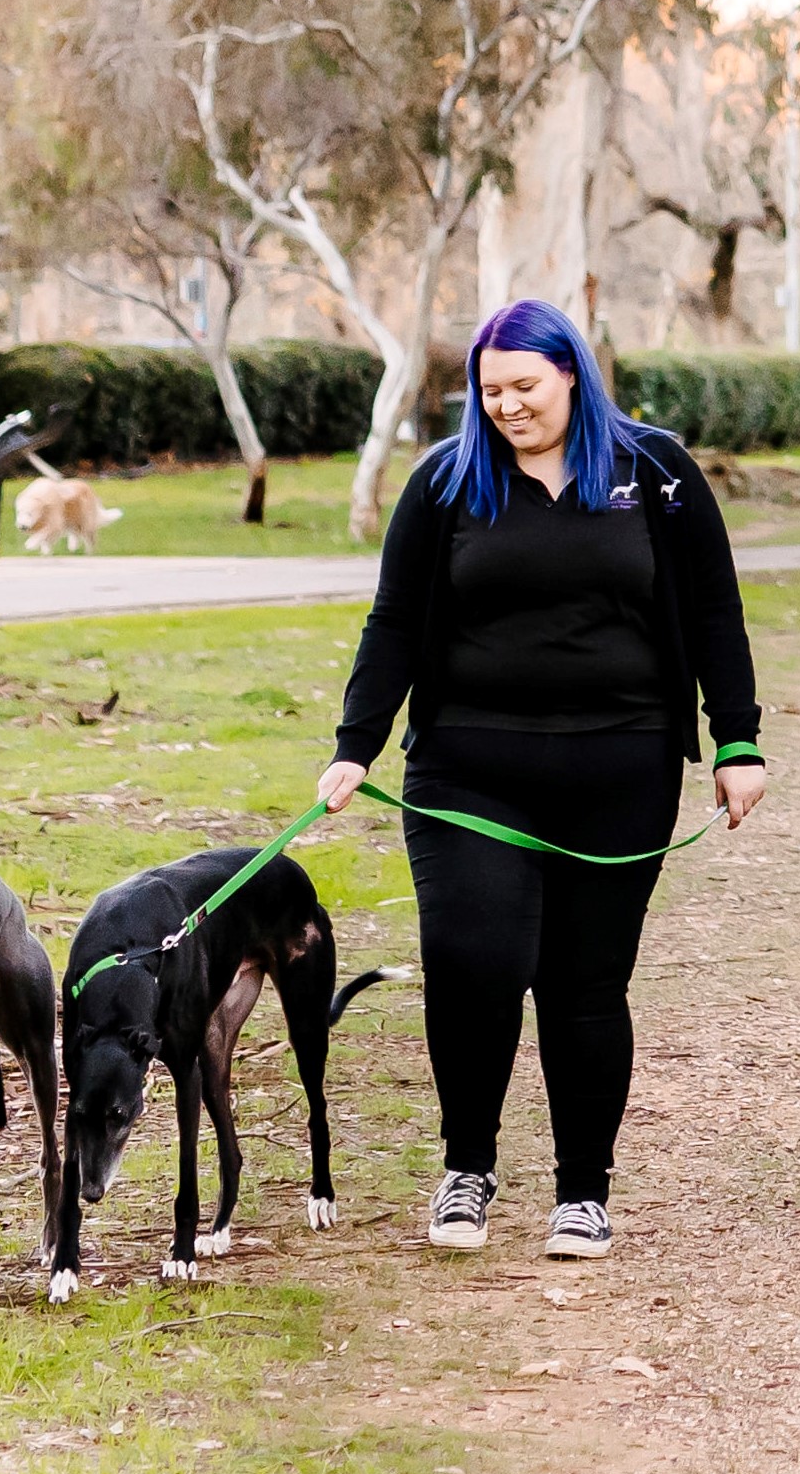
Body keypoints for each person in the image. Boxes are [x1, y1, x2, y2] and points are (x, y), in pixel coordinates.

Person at [319, 299, 767, 1262]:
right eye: (490, 392)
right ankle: (466, 1169)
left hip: (623, 765)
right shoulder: (446, 481)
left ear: (572, 374)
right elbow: (393, 621)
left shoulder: (654, 473)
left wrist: (737, 744)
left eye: (525, 386)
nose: (508, 406)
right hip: (468, 767)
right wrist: (356, 743)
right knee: (475, 965)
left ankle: (582, 1191)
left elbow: (714, 611)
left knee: (585, 985)